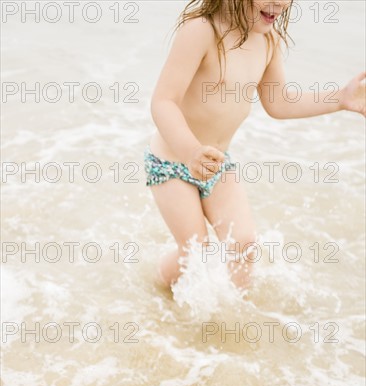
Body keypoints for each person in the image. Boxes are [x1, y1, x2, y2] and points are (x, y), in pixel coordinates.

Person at [144, 0, 365, 290]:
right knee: (197, 253)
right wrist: (190, 152)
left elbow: (280, 103)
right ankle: (154, 286)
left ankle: (235, 320)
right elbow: (164, 101)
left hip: (218, 163)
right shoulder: (202, 30)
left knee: (245, 245)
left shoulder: (268, 40)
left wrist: (341, 98)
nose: (280, 3)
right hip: (173, 162)